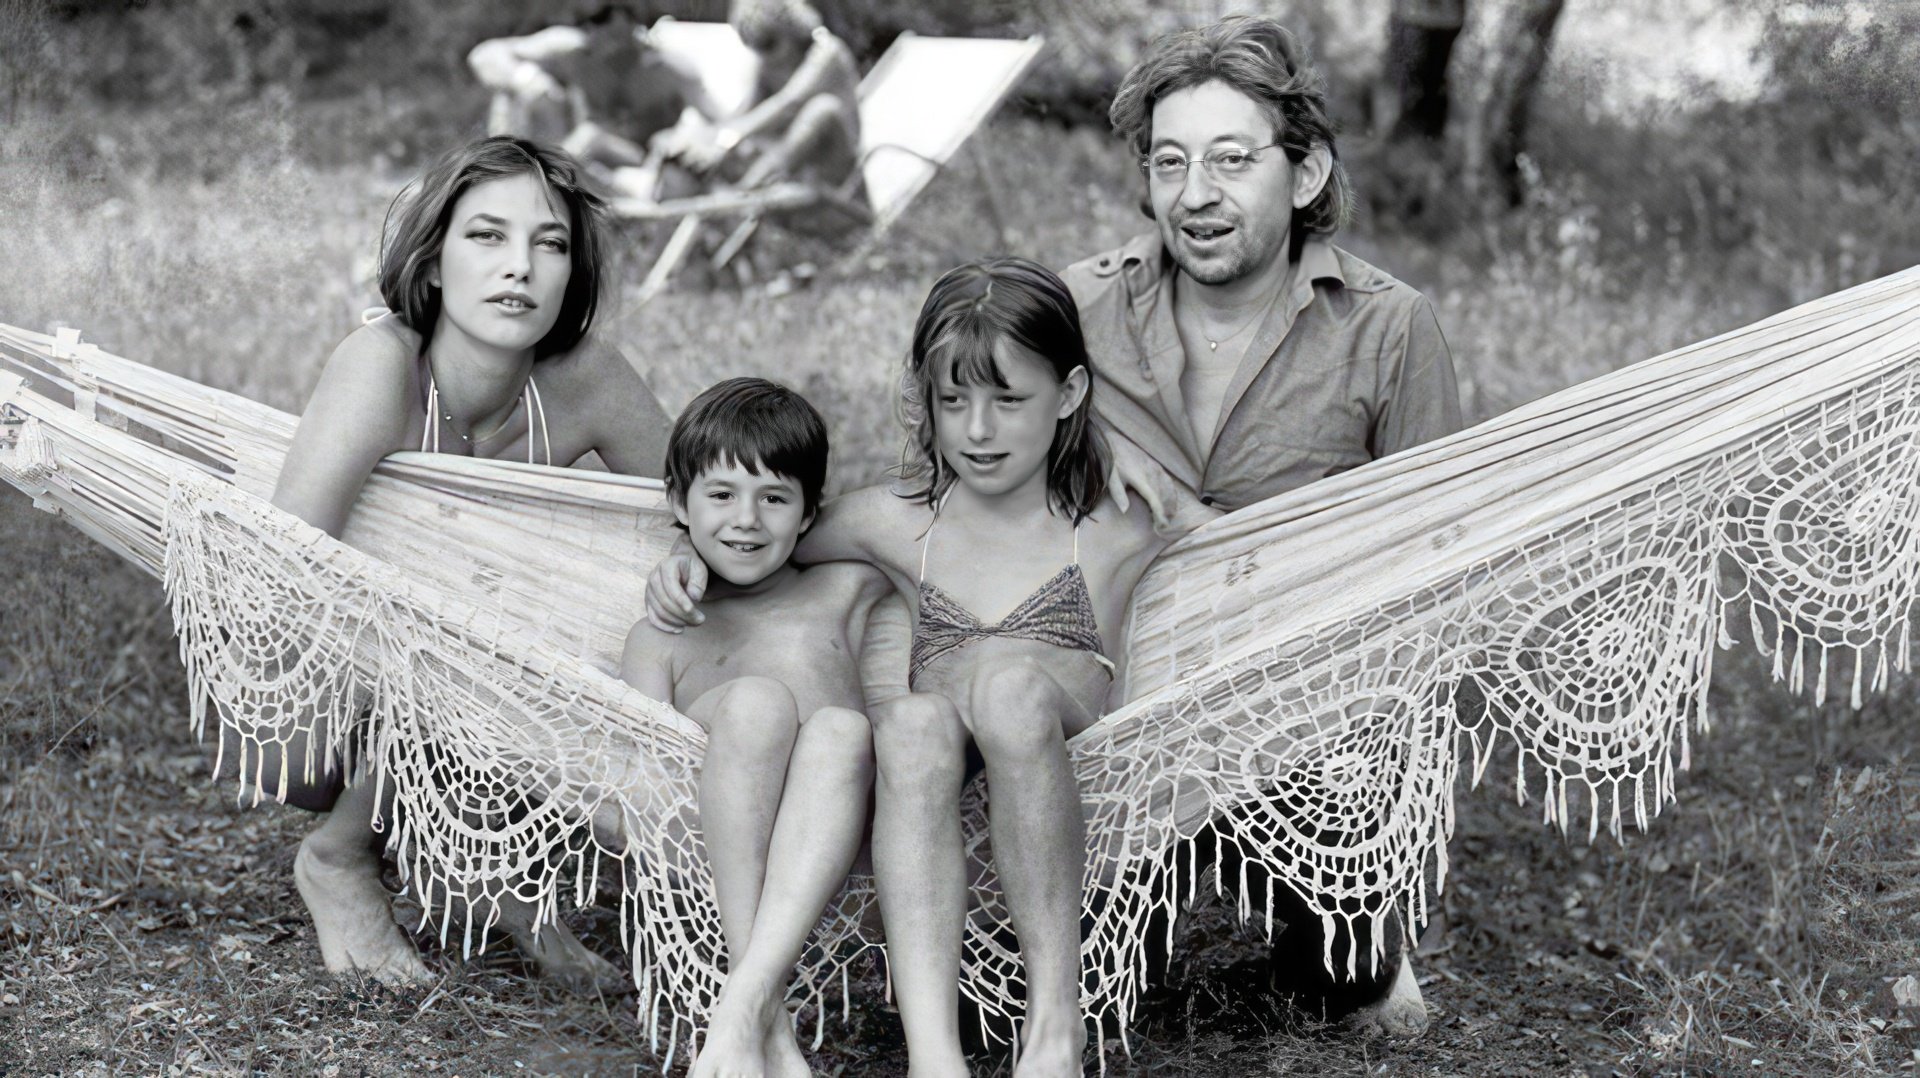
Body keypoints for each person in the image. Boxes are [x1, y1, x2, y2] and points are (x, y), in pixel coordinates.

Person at [650, 258, 1167, 1077]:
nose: (979, 431)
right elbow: (755, 535)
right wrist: (684, 548)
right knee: (914, 720)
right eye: (952, 401)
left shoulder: (1119, 515)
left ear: (1069, 395)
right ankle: (935, 1058)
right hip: (938, 768)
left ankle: (1055, 1026)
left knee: (1006, 692)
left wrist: (1125, 446)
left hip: (1056, 742)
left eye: (1009, 401)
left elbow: (1247, 553)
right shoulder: (899, 520)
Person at [1073, 15, 1464, 1036]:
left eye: (1231, 160)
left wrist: (1214, 535)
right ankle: (1114, 890)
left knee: (1371, 1008)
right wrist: (1097, 456)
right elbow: (946, 451)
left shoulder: (1388, 327)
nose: (1195, 193)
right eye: (1170, 162)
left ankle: (1344, 913)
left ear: (1303, 174)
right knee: (1059, 993)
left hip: (1309, 717)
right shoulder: (1075, 311)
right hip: (1112, 713)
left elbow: (1439, 563)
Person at [258, 135, 673, 989]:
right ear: (437, 262)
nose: (519, 266)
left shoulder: (586, 377)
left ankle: (483, 873)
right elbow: (283, 569)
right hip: (298, 702)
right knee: (494, 603)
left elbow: (697, 512)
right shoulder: (382, 366)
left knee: (592, 606)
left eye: (549, 244)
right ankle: (340, 856)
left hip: (461, 685)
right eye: (487, 236)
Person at [617, 378, 889, 1078]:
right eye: (720, 496)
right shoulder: (662, 637)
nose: (746, 520)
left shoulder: (846, 585)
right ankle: (760, 1005)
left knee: (841, 732)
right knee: (758, 705)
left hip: (837, 835)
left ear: (808, 515)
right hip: (711, 847)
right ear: (678, 503)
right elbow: (632, 798)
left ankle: (742, 1008)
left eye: (774, 498)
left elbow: (938, 514)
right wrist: (677, 556)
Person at [467, 4, 724, 172]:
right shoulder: (573, 49)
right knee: (513, 95)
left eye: (602, 17)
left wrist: (694, 137)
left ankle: (532, 178)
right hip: (575, 155)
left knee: (591, 137)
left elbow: (722, 122)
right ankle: (505, 170)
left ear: (629, 16)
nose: (592, 27)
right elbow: (484, 56)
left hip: (639, 165)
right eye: (585, 19)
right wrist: (526, 78)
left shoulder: (666, 67)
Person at [672, 0, 861, 206]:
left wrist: (727, 140)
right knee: (732, 139)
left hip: (841, 155)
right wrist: (709, 141)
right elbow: (744, 114)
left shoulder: (826, 52)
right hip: (802, 162)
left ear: (790, 28)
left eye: (768, 43)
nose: (766, 56)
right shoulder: (767, 65)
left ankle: (746, 193)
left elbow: (789, 102)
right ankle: (737, 192)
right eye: (757, 48)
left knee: (822, 110)